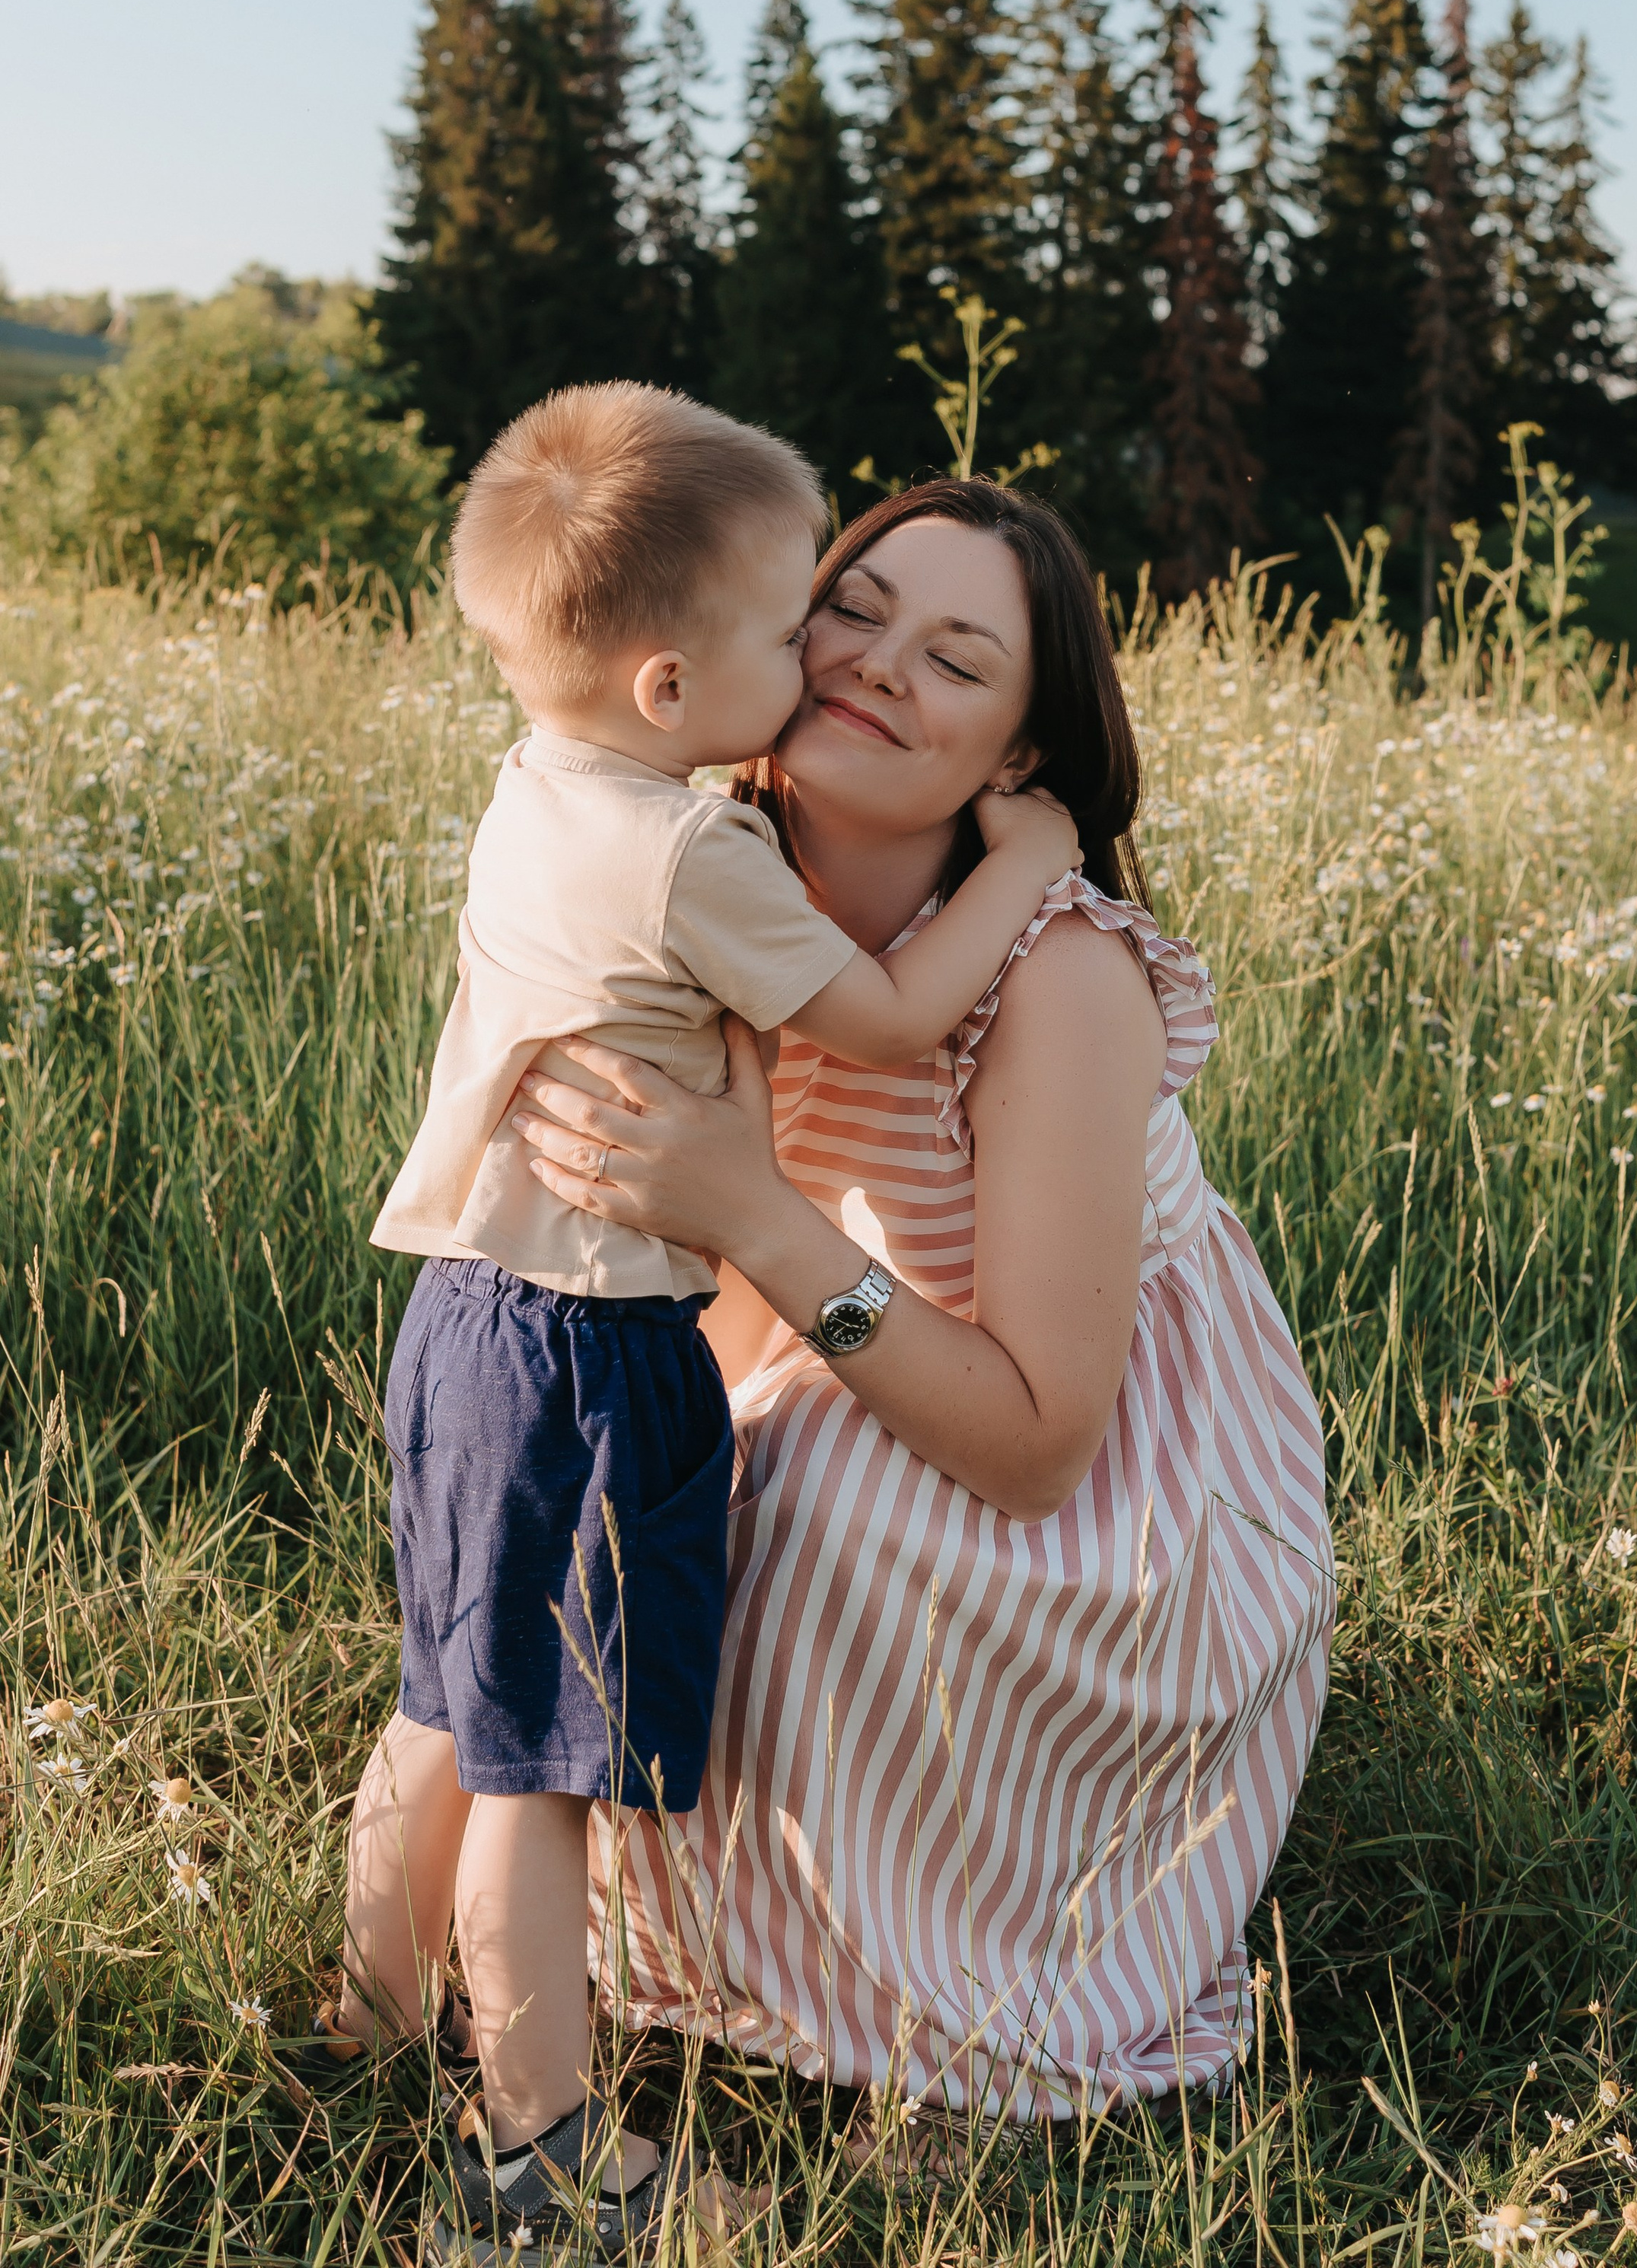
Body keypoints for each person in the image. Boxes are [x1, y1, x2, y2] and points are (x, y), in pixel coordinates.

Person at [330, 388, 1081, 2255]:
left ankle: (358, 2030)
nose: (824, 660)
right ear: (671, 685)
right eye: (798, 624)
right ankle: (539, 2160)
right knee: (545, 1773)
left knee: (446, 1707)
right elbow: (890, 1024)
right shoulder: (693, 854)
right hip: (588, 1347)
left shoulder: (542, 780)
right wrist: (1024, 867)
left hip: (464, 1317)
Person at [509, 477, 1336, 2136]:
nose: (882, 663)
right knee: (605, 1489)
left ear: (1017, 758)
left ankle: (944, 2008)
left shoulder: (1058, 979)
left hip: (1126, 1506)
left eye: (957, 661)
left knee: (812, 1502)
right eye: (855, 609)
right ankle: (649, 1935)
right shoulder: (704, 879)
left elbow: (1038, 1446)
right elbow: (706, 1327)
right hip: (861, 1349)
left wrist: (748, 1213)